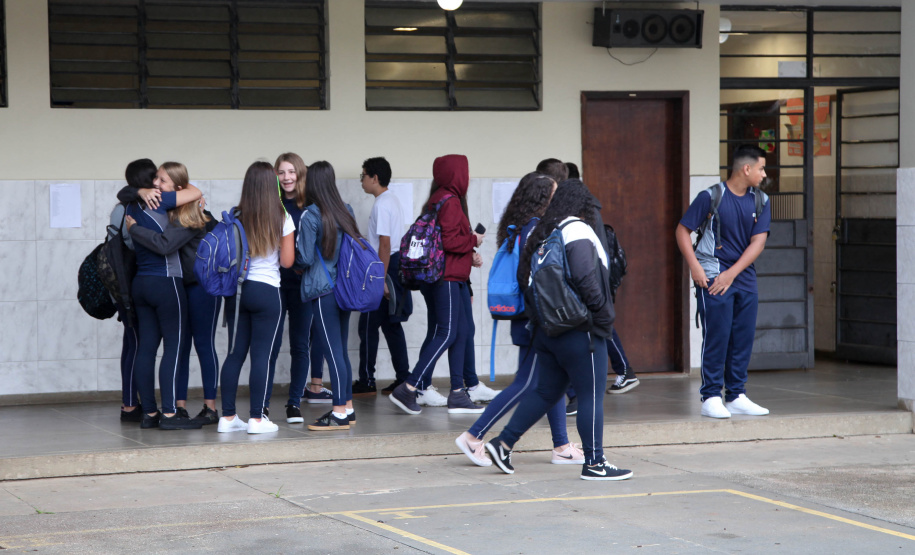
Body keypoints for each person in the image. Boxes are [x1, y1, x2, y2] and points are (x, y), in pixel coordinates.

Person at [484, 179, 633, 481]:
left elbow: (525, 279)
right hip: (581, 329)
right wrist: (603, 318)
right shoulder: (575, 228)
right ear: (582, 205)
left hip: (548, 331)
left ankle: (503, 444)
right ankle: (595, 462)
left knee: (545, 391)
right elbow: (585, 278)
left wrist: (544, 321)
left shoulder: (542, 231)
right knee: (591, 394)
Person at [455, 172, 584, 467]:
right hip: (536, 319)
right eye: (553, 194)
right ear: (543, 198)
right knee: (527, 383)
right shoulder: (536, 229)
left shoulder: (521, 227)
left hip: (528, 317)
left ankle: (562, 445)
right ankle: (474, 436)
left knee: (552, 380)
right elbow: (539, 277)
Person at [675, 144, 771, 419]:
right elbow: (683, 230)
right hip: (712, 273)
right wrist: (694, 267)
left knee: (742, 337)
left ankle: (737, 395)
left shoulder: (761, 201)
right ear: (747, 168)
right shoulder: (711, 197)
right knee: (717, 335)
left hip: (742, 276)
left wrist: (733, 273)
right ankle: (711, 396)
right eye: (761, 168)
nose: (764, 175)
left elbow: (758, 242)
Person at [125, 162, 222, 426]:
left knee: (201, 344)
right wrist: (140, 191)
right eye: (155, 178)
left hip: (201, 286)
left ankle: (209, 407)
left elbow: (165, 244)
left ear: (178, 189)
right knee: (178, 347)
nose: (156, 184)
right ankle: (176, 407)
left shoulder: (192, 213)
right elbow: (126, 193)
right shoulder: (162, 207)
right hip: (175, 286)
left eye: (162, 181)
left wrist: (135, 228)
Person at [389, 154, 486, 415]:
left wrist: (469, 255)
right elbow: (451, 242)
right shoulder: (451, 202)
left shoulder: (436, 199)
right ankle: (408, 387)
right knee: (447, 333)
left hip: (440, 277)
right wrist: (474, 239)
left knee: (460, 332)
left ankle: (457, 394)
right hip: (448, 279)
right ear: (458, 175)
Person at [217, 161, 295, 434]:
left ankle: (227, 418)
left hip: (238, 293)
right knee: (261, 356)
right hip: (267, 292)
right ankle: (257, 419)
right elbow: (287, 262)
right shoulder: (282, 216)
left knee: (235, 354)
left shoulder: (237, 215)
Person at [296, 161, 361, 430]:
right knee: (341, 351)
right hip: (345, 289)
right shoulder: (346, 210)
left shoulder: (311, 215)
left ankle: (337, 414)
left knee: (332, 353)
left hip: (323, 291)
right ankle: (347, 408)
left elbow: (305, 257)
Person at [273, 153, 331, 425]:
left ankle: (294, 403)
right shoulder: (270, 204)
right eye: (281, 172)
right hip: (273, 282)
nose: (286, 178)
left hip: (301, 284)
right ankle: (261, 405)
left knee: (300, 345)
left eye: (291, 172)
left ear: (301, 174)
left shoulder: (310, 206)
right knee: (270, 345)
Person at [352, 157, 412, 396]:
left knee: (367, 324)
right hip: (393, 267)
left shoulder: (382, 204)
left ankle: (367, 380)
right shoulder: (392, 200)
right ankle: (403, 378)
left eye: (363, 176)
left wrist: (381, 280)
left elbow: (385, 245)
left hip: (385, 268)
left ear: (374, 178)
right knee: (391, 325)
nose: (362, 181)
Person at [111, 158, 155, 423]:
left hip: (120, 283)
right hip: (133, 282)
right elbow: (132, 244)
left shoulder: (121, 206)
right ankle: (129, 405)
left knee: (131, 342)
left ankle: (129, 403)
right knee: (137, 343)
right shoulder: (136, 208)